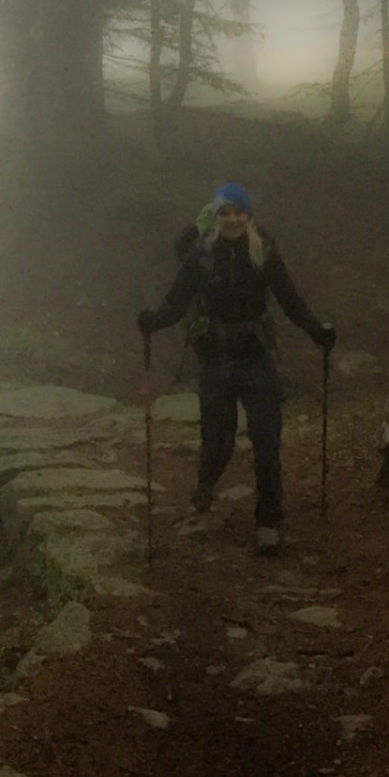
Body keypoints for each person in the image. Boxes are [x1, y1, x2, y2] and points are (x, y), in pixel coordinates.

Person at [137, 181, 335, 556]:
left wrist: (316, 331)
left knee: (267, 439)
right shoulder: (201, 255)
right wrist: (154, 321)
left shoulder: (264, 252)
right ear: (215, 216)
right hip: (214, 358)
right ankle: (204, 486)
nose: (232, 220)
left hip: (254, 356)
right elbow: (176, 302)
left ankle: (270, 521)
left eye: (238, 212)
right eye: (224, 213)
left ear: (248, 215)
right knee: (219, 439)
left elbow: (290, 299)